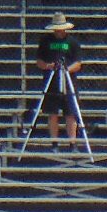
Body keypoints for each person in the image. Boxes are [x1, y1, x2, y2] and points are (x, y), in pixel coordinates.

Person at [33, 13, 85, 148]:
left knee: (70, 114)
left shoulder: (72, 42)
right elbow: (39, 61)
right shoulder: (45, 41)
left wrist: (66, 69)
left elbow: (78, 63)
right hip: (51, 83)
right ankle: (54, 143)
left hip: (68, 83)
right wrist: (48, 66)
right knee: (52, 113)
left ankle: (72, 143)